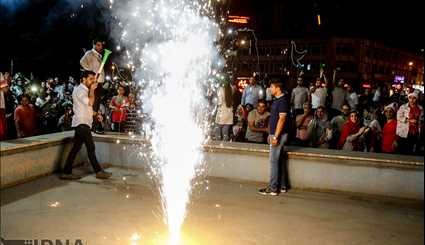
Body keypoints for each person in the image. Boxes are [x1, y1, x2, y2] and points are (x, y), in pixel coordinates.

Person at [61, 71, 111, 180]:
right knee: (90, 148)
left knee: (76, 148)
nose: (93, 81)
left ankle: (66, 172)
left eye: (93, 79)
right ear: (83, 79)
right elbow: (90, 103)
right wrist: (93, 90)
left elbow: (86, 108)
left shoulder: (84, 90)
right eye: (90, 79)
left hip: (83, 123)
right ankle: (98, 171)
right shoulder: (80, 90)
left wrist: (96, 114)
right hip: (82, 124)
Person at [258, 80, 290, 196]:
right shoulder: (278, 100)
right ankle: (282, 186)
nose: (270, 89)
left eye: (271, 87)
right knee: (279, 161)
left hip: (279, 135)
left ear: (277, 88)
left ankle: (273, 188)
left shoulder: (282, 101)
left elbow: (282, 120)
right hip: (276, 134)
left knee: (273, 161)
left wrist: (275, 136)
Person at [80, 38, 106, 133]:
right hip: (94, 82)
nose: (100, 47)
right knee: (93, 104)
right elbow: (82, 62)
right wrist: (91, 73)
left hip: (99, 82)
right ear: (94, 45)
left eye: (101, 45)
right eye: (98, 45)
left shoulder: (99, 55)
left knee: (96, 104)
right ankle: (93, 126)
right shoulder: (89, 53)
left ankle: (93, 125)